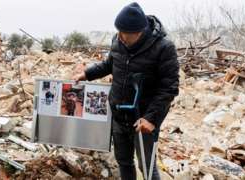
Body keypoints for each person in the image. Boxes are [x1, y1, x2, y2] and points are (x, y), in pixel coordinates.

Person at [74, 2, 179, 180]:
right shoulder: (118, 40)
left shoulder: (163, 48)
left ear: (140, 32)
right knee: (124, 162)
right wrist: (86, 74)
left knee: (147, 167)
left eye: (125, 34)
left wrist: (151, 119)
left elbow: (169, 87)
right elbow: (109, 64)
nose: (120, 37)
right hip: (119, 115)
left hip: (143, 120)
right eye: (119, 31)